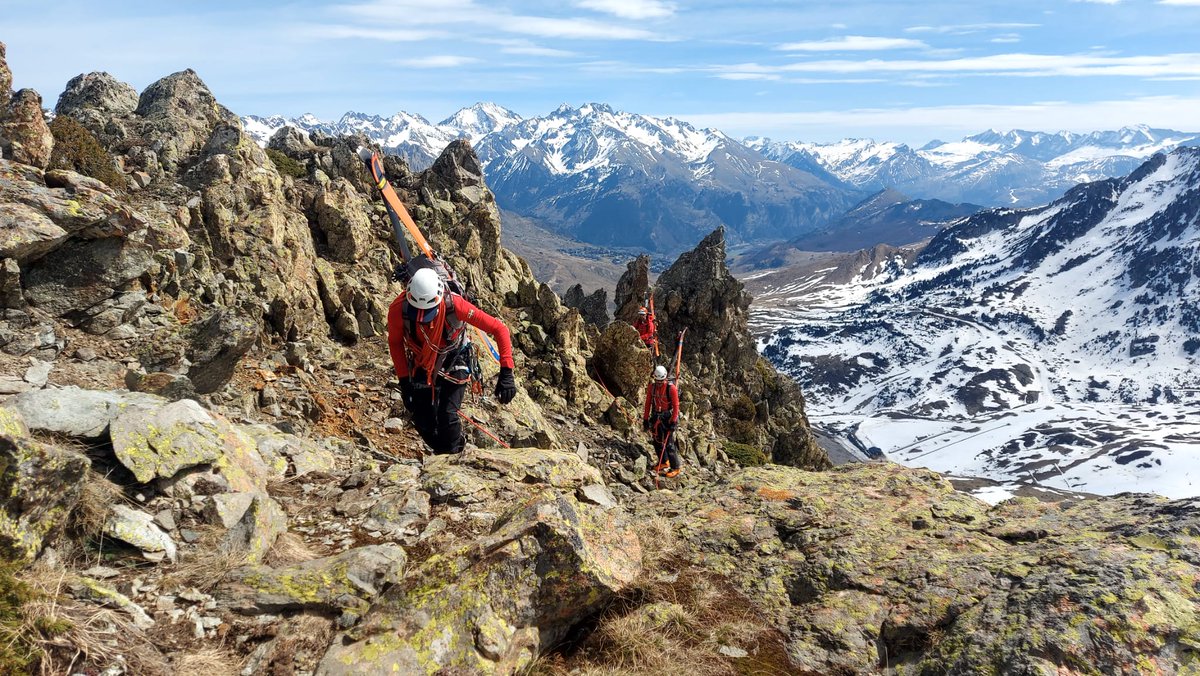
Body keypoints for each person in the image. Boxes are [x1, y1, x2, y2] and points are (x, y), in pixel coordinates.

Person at [387, 267, 517, 454]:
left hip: (455, 356)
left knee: (447, 415)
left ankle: (454, 453)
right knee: (422, 418)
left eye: (429, 312)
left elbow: (499, 329)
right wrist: (405, 381)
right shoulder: (399, 309)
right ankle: (443, 452)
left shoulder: (455, 305)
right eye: (419, 313)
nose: (424, 320)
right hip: (422, 361)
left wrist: (507, 372)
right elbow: (395, 343)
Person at [642, 364, 681, 477]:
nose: (659, 383)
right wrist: (645, 419)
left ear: (665, 378)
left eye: (661, 381)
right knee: (656, 440)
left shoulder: (671, 388)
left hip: (667, 417)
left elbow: (676, 406)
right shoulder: (652, 387)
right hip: (656, 416)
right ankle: (664, 462)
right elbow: (648, 404)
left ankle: (675, 467)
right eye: (657, 381)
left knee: (668, 443)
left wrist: (673, 421)